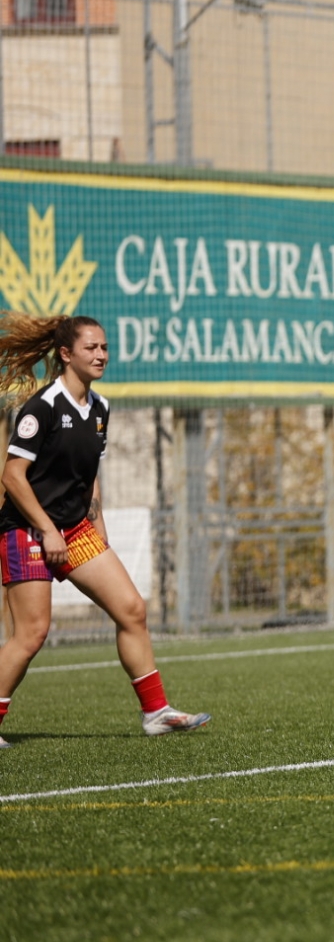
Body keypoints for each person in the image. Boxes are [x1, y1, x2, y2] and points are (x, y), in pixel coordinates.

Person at [0, 314, 209, 746]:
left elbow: (88, 472)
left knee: (132, 609)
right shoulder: (42, 407)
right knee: (32, 634)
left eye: (104, 348)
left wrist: (97, 524)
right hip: (26, 530)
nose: (101, 355)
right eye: (91, 348)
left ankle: (156, 712)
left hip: (74, 530)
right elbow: (13, 477)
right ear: (65, 354)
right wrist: (46, 529)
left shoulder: (101, 408)